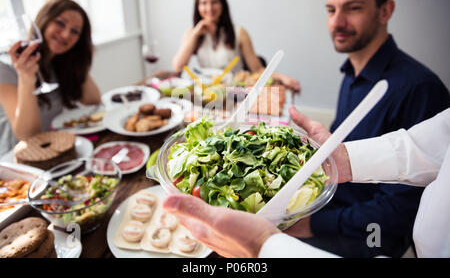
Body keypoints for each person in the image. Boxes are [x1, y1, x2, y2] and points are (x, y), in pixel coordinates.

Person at [282, 0, 450, 258]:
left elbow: (399, 213)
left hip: (370, 238)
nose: (337, 21)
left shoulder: (420, 88)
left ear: (385, 11)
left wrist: (312, 224)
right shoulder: (350, 75)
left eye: (353, 8)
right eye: (331, 10)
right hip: (331, 208)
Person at [163, 105, 450, 258]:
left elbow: (396, 210)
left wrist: (264, 246)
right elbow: (437, 142)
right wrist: (344, 158)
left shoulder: (420, 90)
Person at [0, 0, 101, 157]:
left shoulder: (57, 62)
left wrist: (78, 61)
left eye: (75, 31)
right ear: (44, 21)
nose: (66, 34)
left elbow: (93, 100)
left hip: (56, 148)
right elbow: (27, 136)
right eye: (60, 23)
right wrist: (26, 79)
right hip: (19, 156)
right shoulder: (5, 67)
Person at [172, 0, 300, 92]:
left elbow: (257, 69)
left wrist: (283, 78)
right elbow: (177, 67)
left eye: (214, 2)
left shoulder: (239, 32)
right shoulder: (192, 33)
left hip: (234, 93)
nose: (209, 7)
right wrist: (195, 34)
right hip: (206, 93)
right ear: (197, 6)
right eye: (204, 3)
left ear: (222, 4)